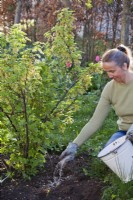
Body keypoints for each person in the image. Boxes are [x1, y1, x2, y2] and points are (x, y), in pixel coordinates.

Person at [59, 44, 133, 163]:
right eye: (107, 72)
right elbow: (95, 121)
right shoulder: (110, 88)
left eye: (112, 71)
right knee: (111, 154)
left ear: (125, 66)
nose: (109, 76)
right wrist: (74, 145)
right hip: (125, 133)